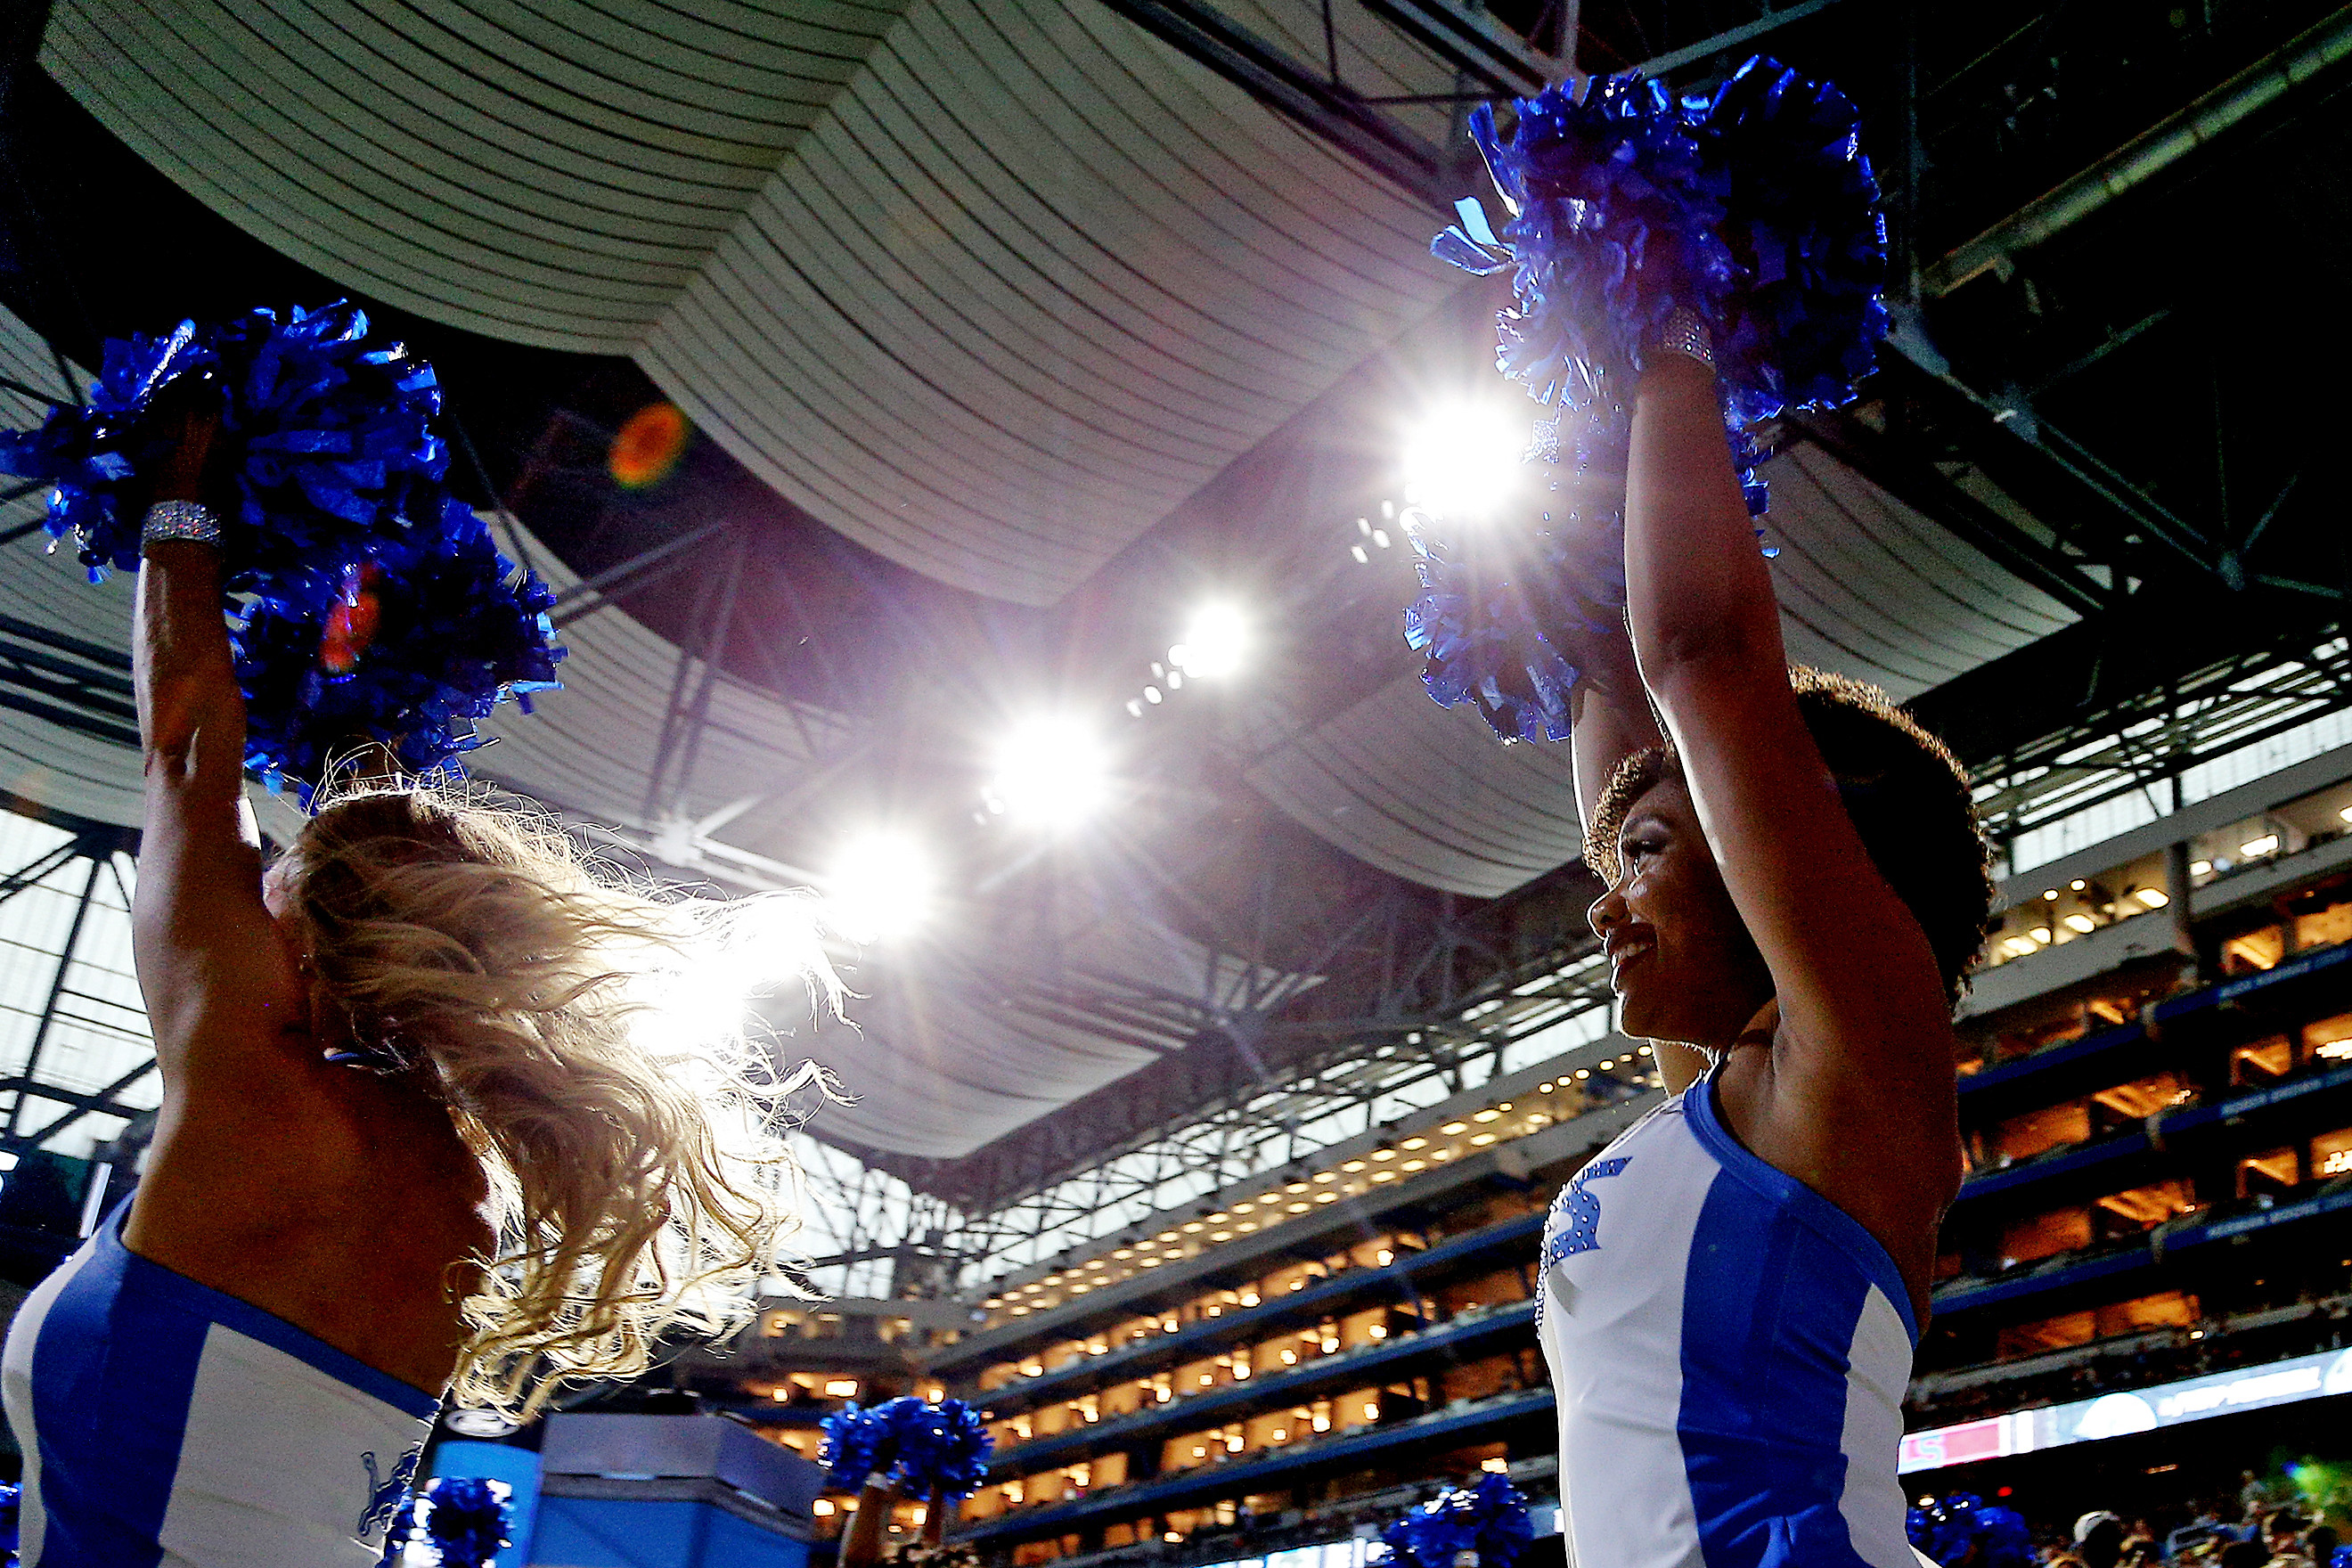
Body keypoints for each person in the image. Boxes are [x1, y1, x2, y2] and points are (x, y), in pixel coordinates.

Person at [0, 410, 840, 1564]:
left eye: (271, 879)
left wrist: (180, 506)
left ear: (307, 937)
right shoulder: (465, 1193)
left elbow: (187, 759)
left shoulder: (257, 1090)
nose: (249, 886)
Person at [1533, 305, 1997, 1568]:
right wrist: (1562, 583)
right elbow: (1634, 748)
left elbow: (1705, 654)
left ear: (1773, 866)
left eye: (1646, 858)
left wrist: (1662, 317)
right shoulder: (1724, 1091)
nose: (1600, 898)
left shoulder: (1853, 1071)